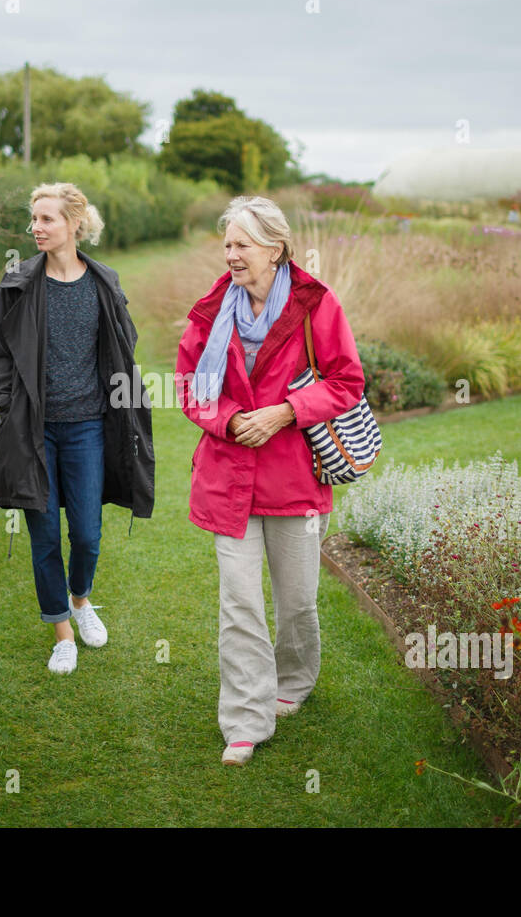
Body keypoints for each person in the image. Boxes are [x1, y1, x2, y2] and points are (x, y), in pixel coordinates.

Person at [175, 196, 365, 767]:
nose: (231, 255)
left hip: (295, 483)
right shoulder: (210, 311)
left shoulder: (315, 304)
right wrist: (230, 418)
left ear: (275, 249)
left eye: (242, 245)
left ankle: (295, 679)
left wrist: (285, 411)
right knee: (239, 602)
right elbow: (189, 386)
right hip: (227, 479)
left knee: (296, 601)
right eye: (227, 244)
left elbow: (346, 380)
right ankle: (244, 720)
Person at [0, 182, 154, 674]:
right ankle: (61, 632)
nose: (36, 228)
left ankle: (81, 601)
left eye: (47, 219)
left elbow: (125, 342)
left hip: (88, 429)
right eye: (34, 219)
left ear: (74, 224)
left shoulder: (103, 282)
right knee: (44, 538)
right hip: (33, 430)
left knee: (87, 534)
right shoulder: (18, 281)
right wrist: (7, 402)